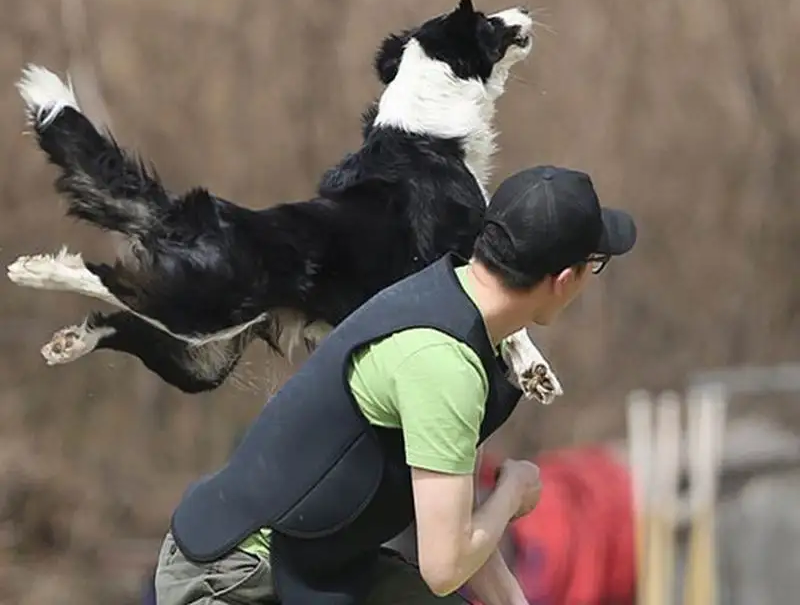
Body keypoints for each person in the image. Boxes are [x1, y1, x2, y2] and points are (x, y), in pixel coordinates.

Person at [154, 165, 637, 605]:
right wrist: (511, 491)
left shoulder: (457, 312)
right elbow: (445, 566)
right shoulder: (443, 363)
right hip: (232, 577)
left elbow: (453, 511)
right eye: (596, 263)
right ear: (566, 279)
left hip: (316, 565)